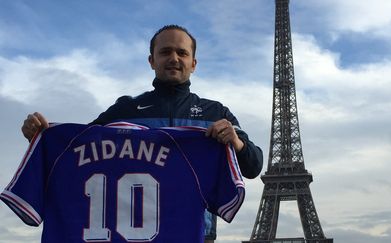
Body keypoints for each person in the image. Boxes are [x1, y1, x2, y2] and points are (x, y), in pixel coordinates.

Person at [21, 24, 263, 242]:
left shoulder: (216, 113)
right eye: (165, 52)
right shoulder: (124, 109)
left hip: (195, 233)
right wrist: (42, 136)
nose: (174, 58)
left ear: (194, 63)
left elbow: (254, 166)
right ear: (151, 60)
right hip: (130, 235)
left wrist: (236, 143)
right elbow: (76, 149)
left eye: (182, 53)